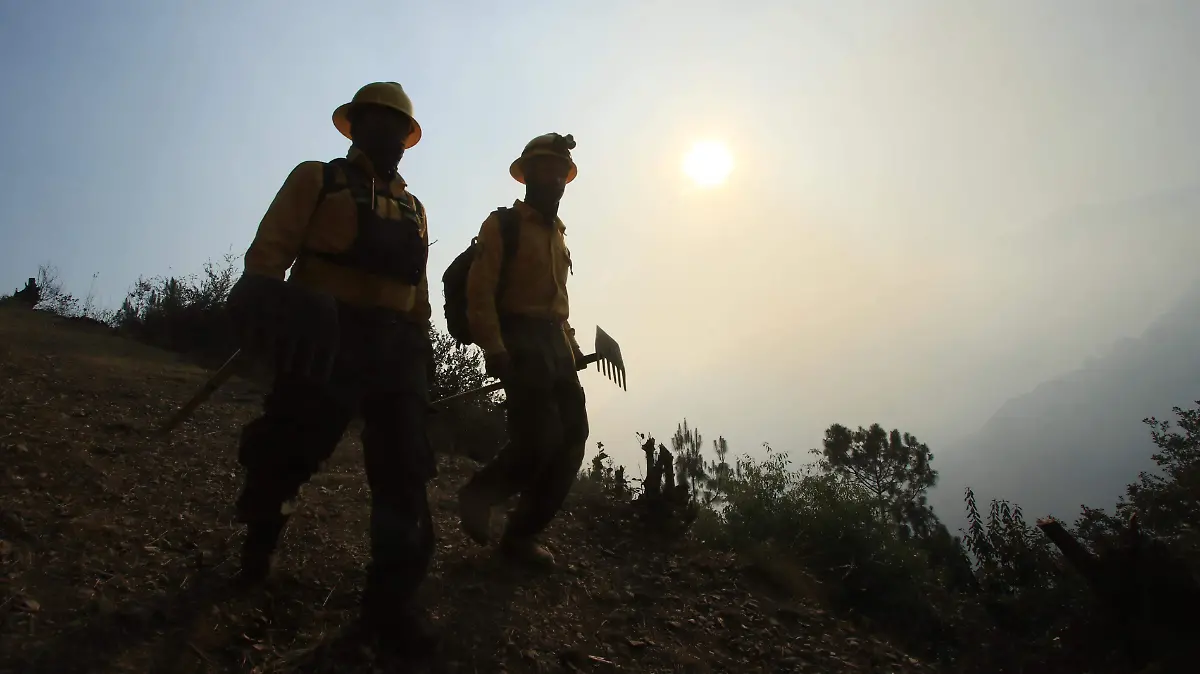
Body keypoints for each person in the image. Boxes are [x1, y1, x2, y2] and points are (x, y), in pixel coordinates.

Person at [223, 81, 439, 659]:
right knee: (292, 445)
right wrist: (278, 305)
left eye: (395, 127)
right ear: (355, 125)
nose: (385, 135)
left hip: (395, 349)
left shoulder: (415, 209)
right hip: (324, 336)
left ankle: (389, 608)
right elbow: (268, 256)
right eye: (375, 122)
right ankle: (260, 542)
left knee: (405, 472)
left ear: (406, 138)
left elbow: (416, 291)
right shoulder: (317, 179)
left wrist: (422, 350)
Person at [455, 132, 590, 567]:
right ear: (527, 176)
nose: (554, 180)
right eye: (545, 170)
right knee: (537, 439)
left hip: (553, 343)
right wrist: (493, 347)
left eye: (560, 173)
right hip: (519, 338)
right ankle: (480, 494)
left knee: (573, 438)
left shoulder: (558, 236)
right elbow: (480, 292)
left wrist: (571, 349)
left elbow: (557, 306)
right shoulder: (503, 226)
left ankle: (521, 536)